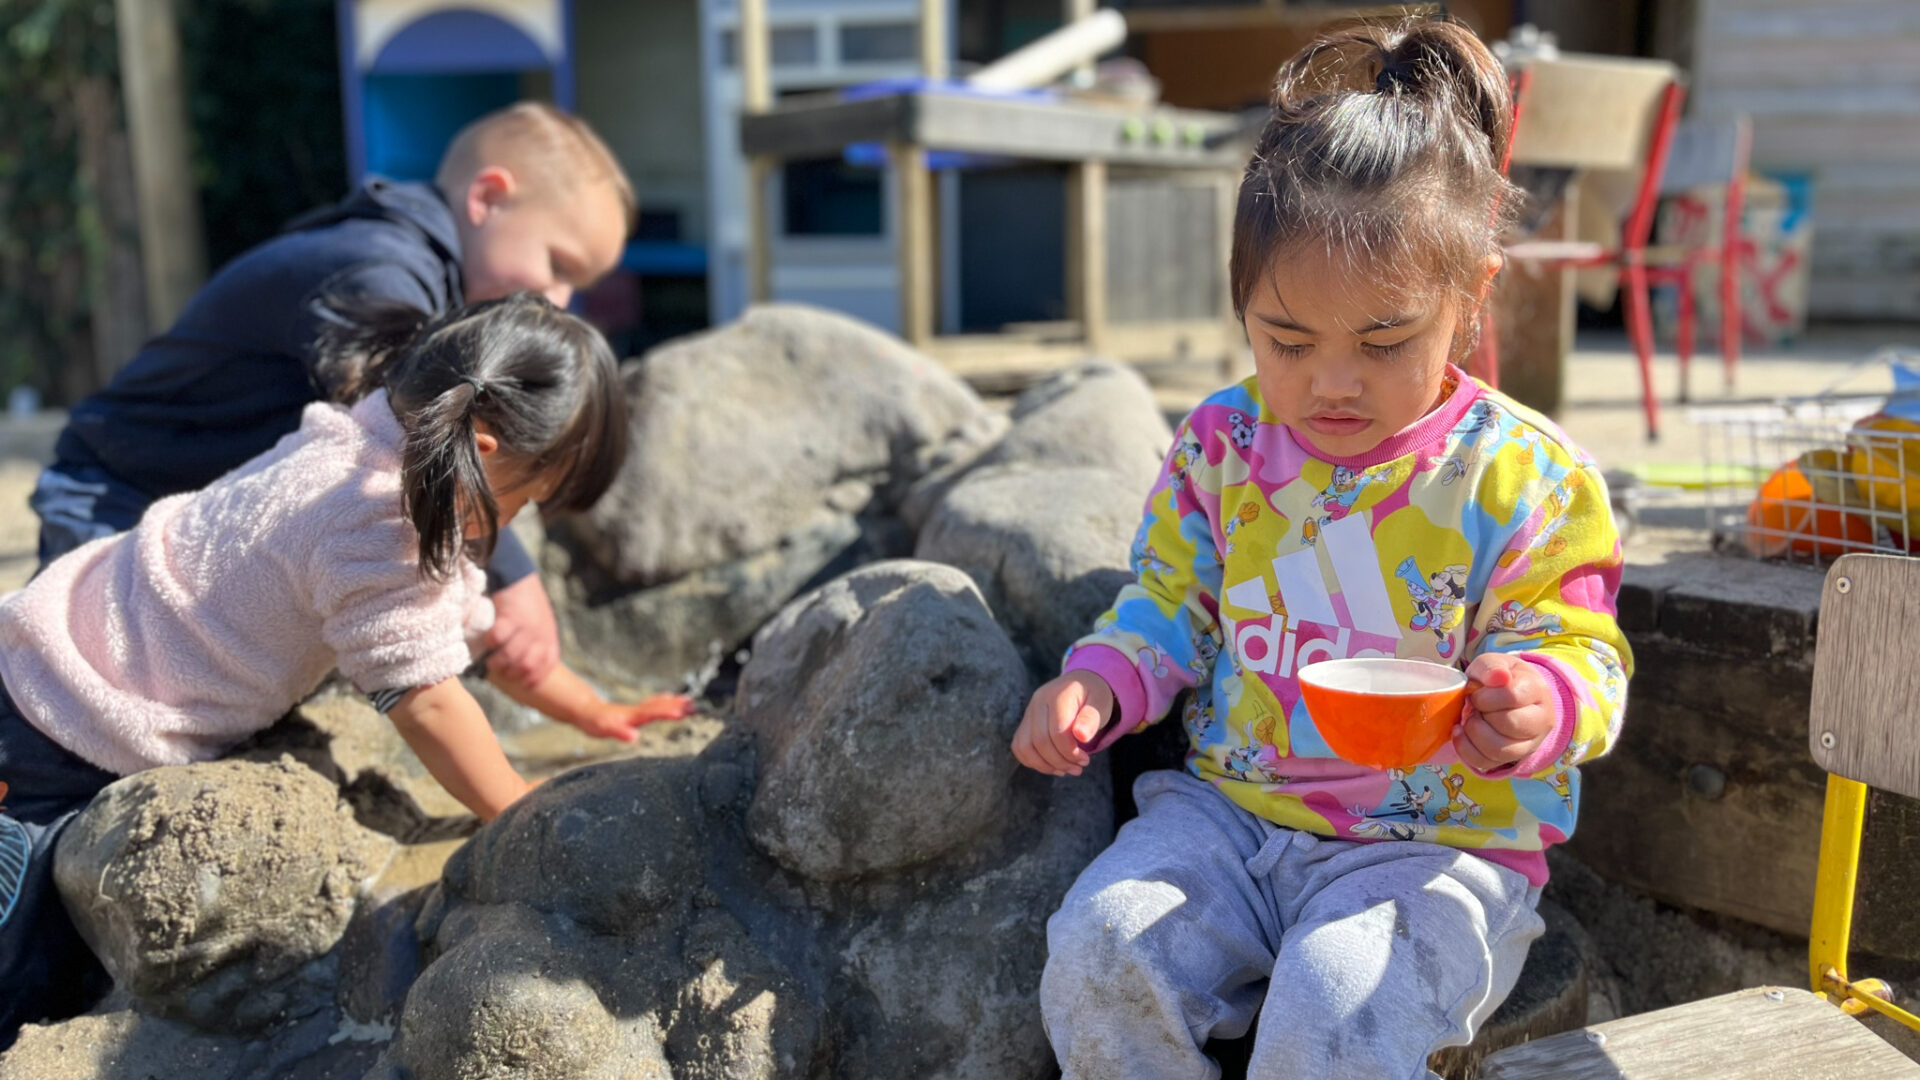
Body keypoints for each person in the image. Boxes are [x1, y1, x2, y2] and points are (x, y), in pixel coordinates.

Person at [1012, 19, 1633, 1079]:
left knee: (1339, 999)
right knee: (1102, 948)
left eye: (1385, 342)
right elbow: (1170, 598)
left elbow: (1585, 653)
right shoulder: (1226, 444)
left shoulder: (1526, 478)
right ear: (1242, 307)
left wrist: (1541, 701)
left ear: (1471, 296)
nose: (1330, 383)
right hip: (1227, 818)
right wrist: (1102, 680)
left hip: (1437, 849)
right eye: (1286, 341)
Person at [0, 294, 692, 1045]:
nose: (513, 522)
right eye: (527, 500)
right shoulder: (379, 522)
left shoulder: (356, 440)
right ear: (484, 451)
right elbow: (426, 698)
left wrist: (589, 711)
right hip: (63, 714)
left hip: (54, 631)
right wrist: (517, 808)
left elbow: (479, 640)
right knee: (28, 954)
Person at [30, 102, 636, 688]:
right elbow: (429, 441)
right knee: (80, 681)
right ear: (488, 198)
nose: (560, 299)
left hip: (200, 524)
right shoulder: (377, 273)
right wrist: (516, 580)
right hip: (119, 494)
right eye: (559, 265)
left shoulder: (424, 275)